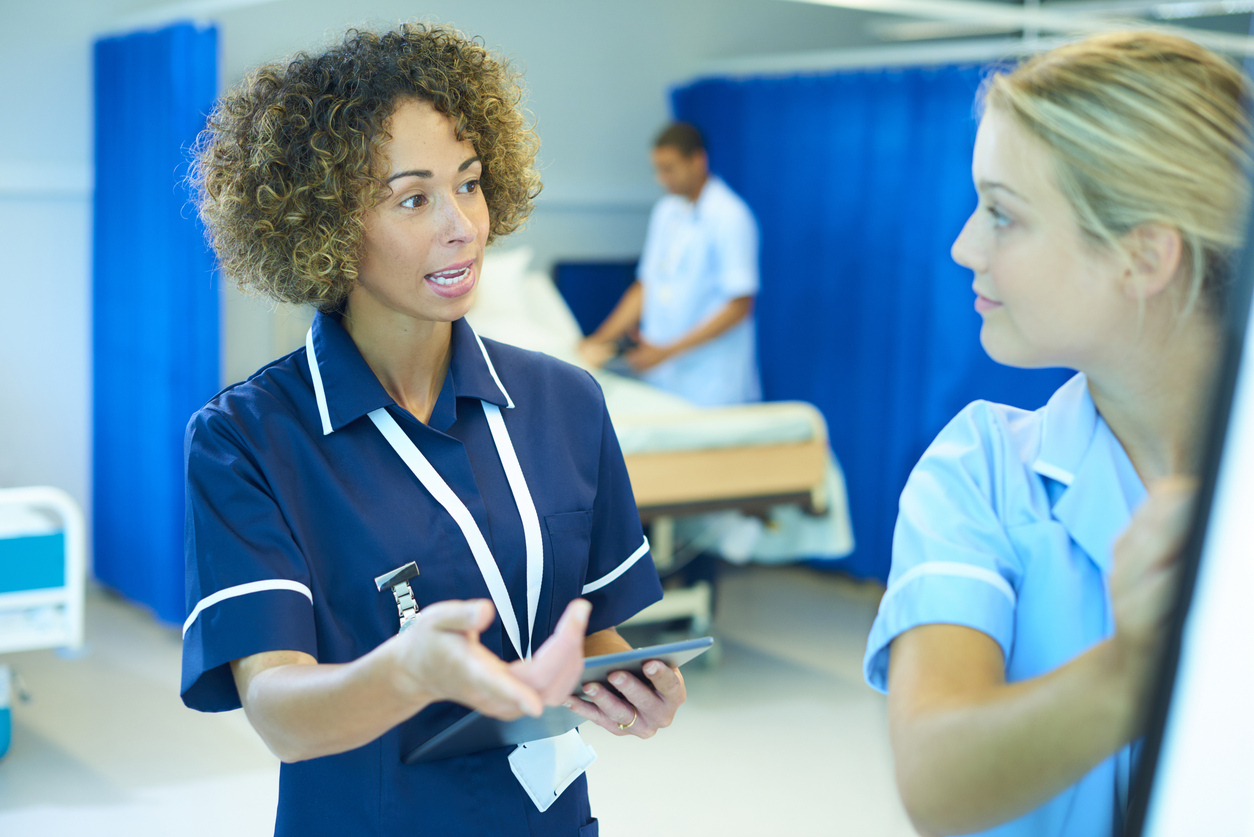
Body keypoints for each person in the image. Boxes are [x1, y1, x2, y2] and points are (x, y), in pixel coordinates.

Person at [180, 24, 686, 837]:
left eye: (471, 184)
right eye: (413, 198)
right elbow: (276, 707)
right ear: (326, 225)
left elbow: (590, 629)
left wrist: (632, 682)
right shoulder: (248, 439)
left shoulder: (567, 402)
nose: (464, 226)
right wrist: (409, 672)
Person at [862, 32, 1249, 837]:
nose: (964, 246)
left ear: (1143, 256)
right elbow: (936, 780)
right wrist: (1138, 666)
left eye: (1003, 213)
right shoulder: (979, 474)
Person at [578, 122, 762, 406]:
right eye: (658, 169)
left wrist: (668, 351)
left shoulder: (730, 216)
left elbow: (740, 306)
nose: (662, 178)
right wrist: (599, 340)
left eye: (670, 168)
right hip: (663, 378)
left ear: (698, 161)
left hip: (712, 383)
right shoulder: (666, 212)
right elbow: (646, 286)